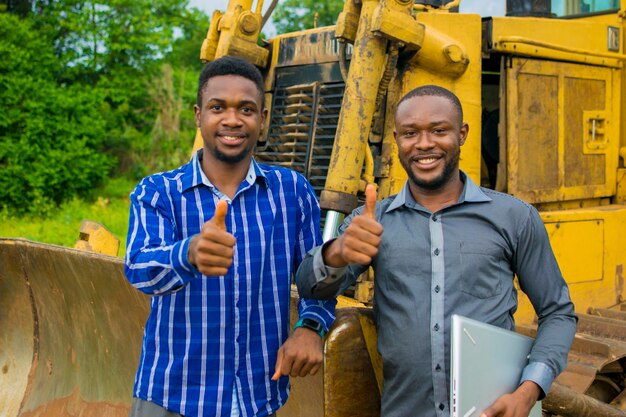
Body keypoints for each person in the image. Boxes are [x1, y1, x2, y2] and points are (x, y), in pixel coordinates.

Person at [296, 85, 577, 417]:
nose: (424, 144)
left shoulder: (515, 217)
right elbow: (309, 285)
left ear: (462, 134)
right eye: (410, 133)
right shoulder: (372, 220)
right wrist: (338, 252)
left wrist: (528, 392)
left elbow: (558, 312)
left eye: (439, 131)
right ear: (397, 140)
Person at [125, 56, 336, 417]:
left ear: (263, 120)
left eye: (247, 109)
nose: (232, 119)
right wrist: (189, 253)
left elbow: (316, 277)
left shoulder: (292, 192)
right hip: (171, 399)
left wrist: (311, 326)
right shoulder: (158, 192)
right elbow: (139, 268)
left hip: (256, 398)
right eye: (217, 107)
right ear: (198, 116)